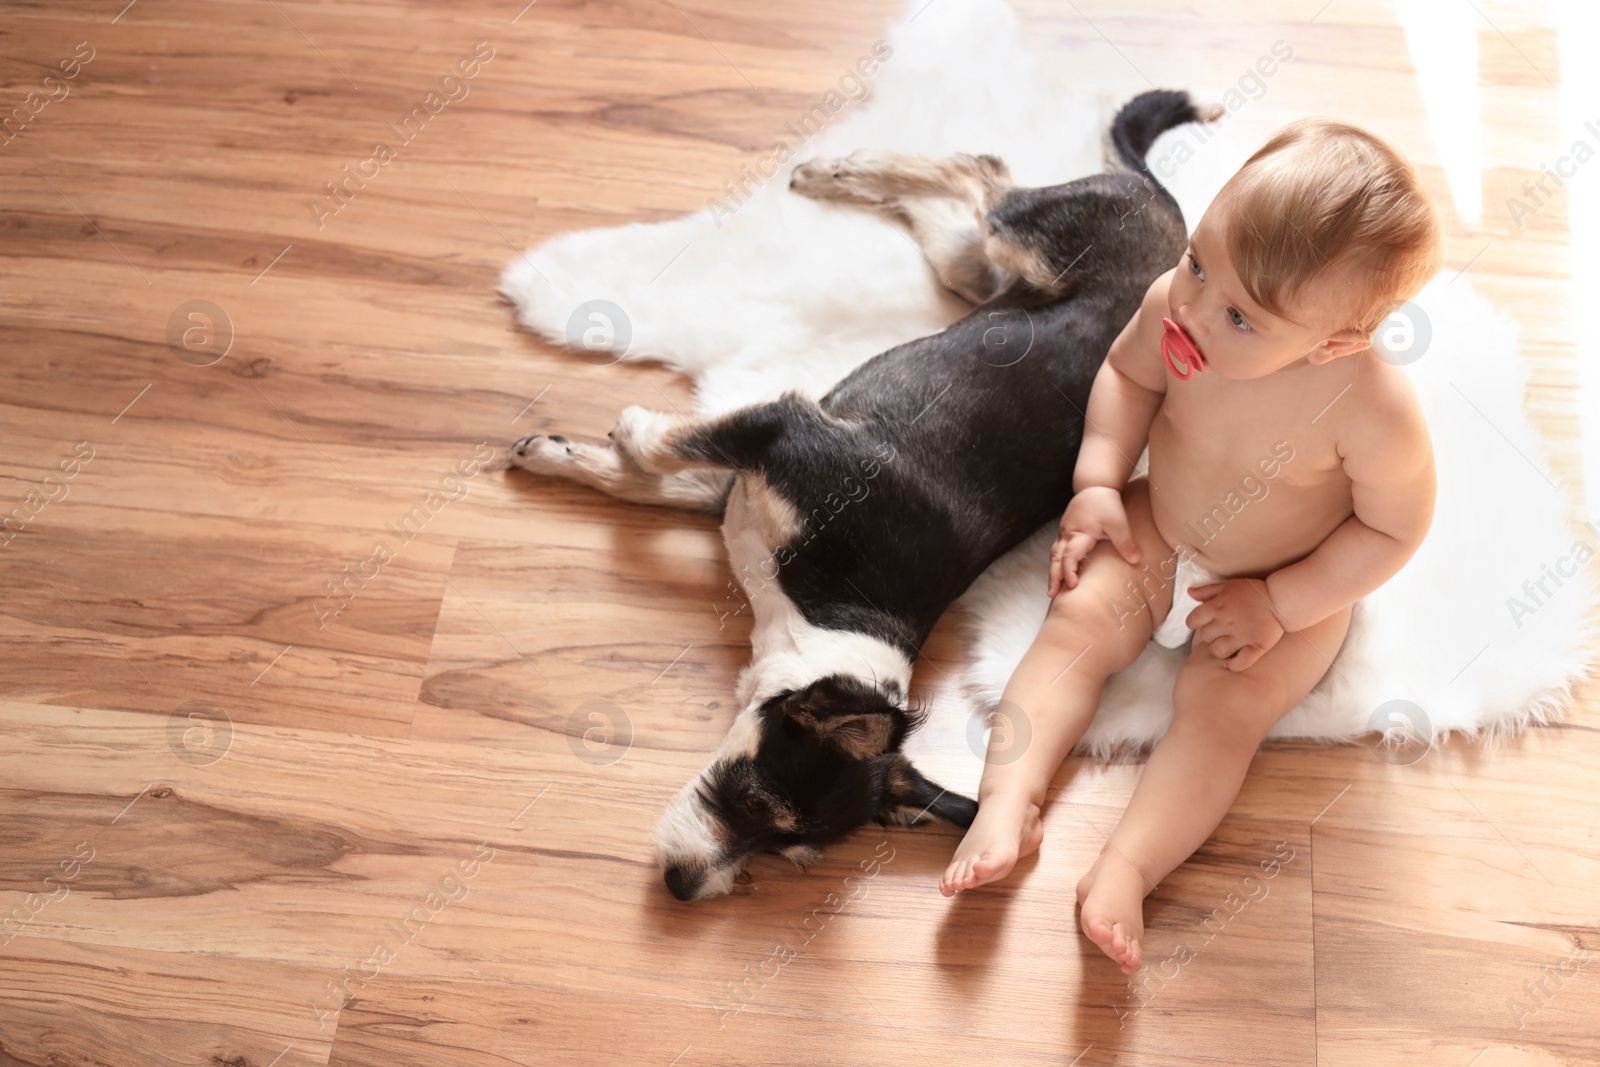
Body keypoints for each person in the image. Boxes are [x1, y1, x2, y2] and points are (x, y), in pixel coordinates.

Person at [939, 117, 1444, 975]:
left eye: (1241, 316)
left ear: (1334, 343)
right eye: (1199, 260)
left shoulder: (1371, 411)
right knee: (1069, 634)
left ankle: (1128, 866)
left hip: (1284, 581)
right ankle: (1006, 799)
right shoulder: (1173, 305)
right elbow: (1128, 376)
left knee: (1222, 715)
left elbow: (1395, 527)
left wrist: (1284, 604)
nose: (1194, 306)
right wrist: (1099, 482)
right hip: (1161, 524)